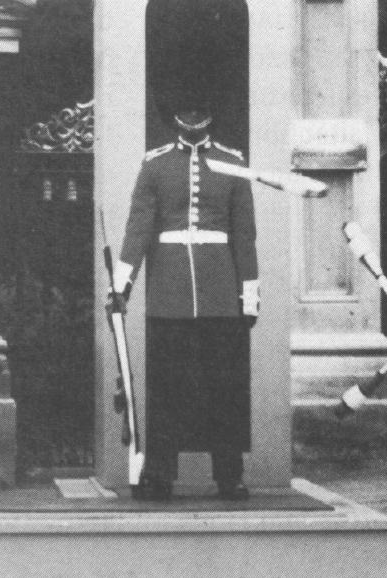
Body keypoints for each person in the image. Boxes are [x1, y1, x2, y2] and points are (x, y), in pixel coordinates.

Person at [112, 99, 257, 501]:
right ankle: (160, 474)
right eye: (186, 112)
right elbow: (138, 228)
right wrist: (122, 284)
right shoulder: (155, 165)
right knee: (167, 389)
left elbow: (245, 235)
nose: (193, 118)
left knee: (224, 388)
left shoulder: (233, 163)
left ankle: (229, 475)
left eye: (199, 111)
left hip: (221, 292)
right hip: (170, 292)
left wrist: (248, 294)